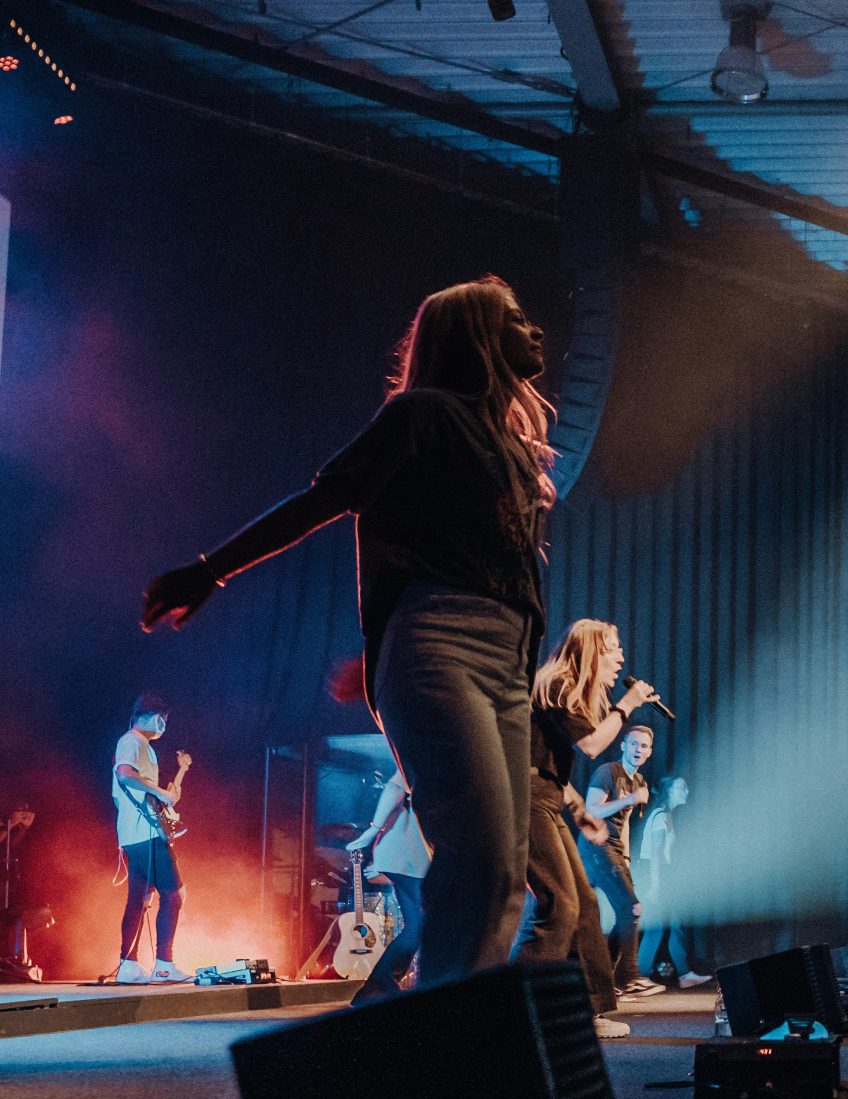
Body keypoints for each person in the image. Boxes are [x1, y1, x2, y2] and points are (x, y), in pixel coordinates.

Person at [142, 277, 554, 991]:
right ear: (478, 336)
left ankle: (463, 1028)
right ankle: (446, 1036)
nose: (536, 330)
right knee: (480, 859)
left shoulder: (513, 448)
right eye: (516, 319)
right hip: (442, 644)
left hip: (507, 664)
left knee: (503, 875)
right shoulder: (420, 414)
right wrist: (211, 570)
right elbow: (324, 499)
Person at [520, 619, 661, 1039]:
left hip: (546, 799)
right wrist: (627, 705)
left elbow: (547, 764)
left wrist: (579, 809)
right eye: (613, 648)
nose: (620, 657)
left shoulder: (565, 691)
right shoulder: (557, 684)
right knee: (559, 905)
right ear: (590, 650)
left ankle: (588, 1010)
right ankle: (518, 1004)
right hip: (528, 801)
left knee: (582, 904)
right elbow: (592, 745)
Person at [110, 695, 193, 984]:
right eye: (164, 720)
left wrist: (177, 776)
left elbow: (126, 794)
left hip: (133, 835)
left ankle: (128, 965)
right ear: (155, 716)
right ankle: (164, 964)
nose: (164, 726)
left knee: (140, 899)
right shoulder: (133, 741)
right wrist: (159, 793)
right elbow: (125, 774)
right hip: (146, 834)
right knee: (174, 894)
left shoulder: (140, 745)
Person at [583, 723, 664, 999]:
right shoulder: (608, 772)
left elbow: (625, 821)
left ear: (650, 752)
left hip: (617, 850)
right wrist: (629, 798)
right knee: (631, 909)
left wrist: (626, 855)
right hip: (597, 846)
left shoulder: (639, 781)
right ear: (623, 746)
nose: (638, 749)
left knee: (628, 913)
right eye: (634, 744)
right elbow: (591, 810)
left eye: (644, 746)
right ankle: (628, 977)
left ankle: (605, 981)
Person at [345, 768, 430, 1005]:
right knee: (424, 923)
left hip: (407, 857)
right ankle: (379, 985)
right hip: (407, 855)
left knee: (418, 926)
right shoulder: (423, 758)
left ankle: (376, 988)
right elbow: (395, 786)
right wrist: (371, 832)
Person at [634, 775, 711, 989]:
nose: (687, 791)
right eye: (681, 787)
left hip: (663, 872)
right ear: (669, 791)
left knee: (673, 925)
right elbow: (655, 854)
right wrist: (656, 884)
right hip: (655, 871)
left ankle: (684, 974)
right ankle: (639, 976)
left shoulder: (665, 815)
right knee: (657, 928)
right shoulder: (660, 816)